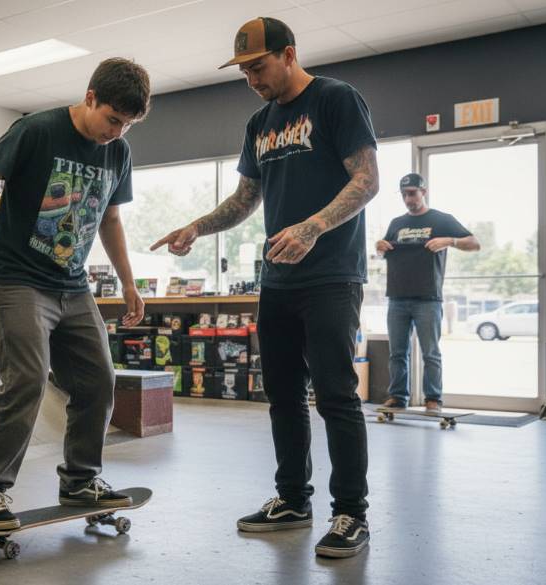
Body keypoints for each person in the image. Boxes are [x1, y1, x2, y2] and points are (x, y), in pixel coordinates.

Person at [152, 17, 379, 559]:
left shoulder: (336, 100)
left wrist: (313, 226)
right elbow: (245, 198)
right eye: (244, 70)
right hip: (277, 278)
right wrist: (196, 227)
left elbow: (367, 180)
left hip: (332, 275)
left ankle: (350, 513)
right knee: (280, 395)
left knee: (336, 396)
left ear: (288, 54)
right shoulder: (259, 122)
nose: (251, 78)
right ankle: (292, 500)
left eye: (258, 66)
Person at [0, 58, 150, 529]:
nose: (117, 132)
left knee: (99, 380)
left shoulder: (117, 153)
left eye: (128, 125)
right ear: (90, 98)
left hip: (73, 284)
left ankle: (81, 479)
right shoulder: (36, 130)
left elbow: (110, 218)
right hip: (18, 280)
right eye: (113, 119)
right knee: (26, 379)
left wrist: (127, 281)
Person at [376, 173, 479, 411]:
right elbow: (384, 248)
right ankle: (398, 397)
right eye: (403, 194)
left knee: (430, 353)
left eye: (412, 193)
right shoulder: (396, 224)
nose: (408, 198)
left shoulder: (441, 220)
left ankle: (433, 399)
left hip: (428, 299)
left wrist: (449, 241)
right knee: (397, 353)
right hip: (397, 298)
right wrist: (379, 246)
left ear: (424, 192)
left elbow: (475, 244)